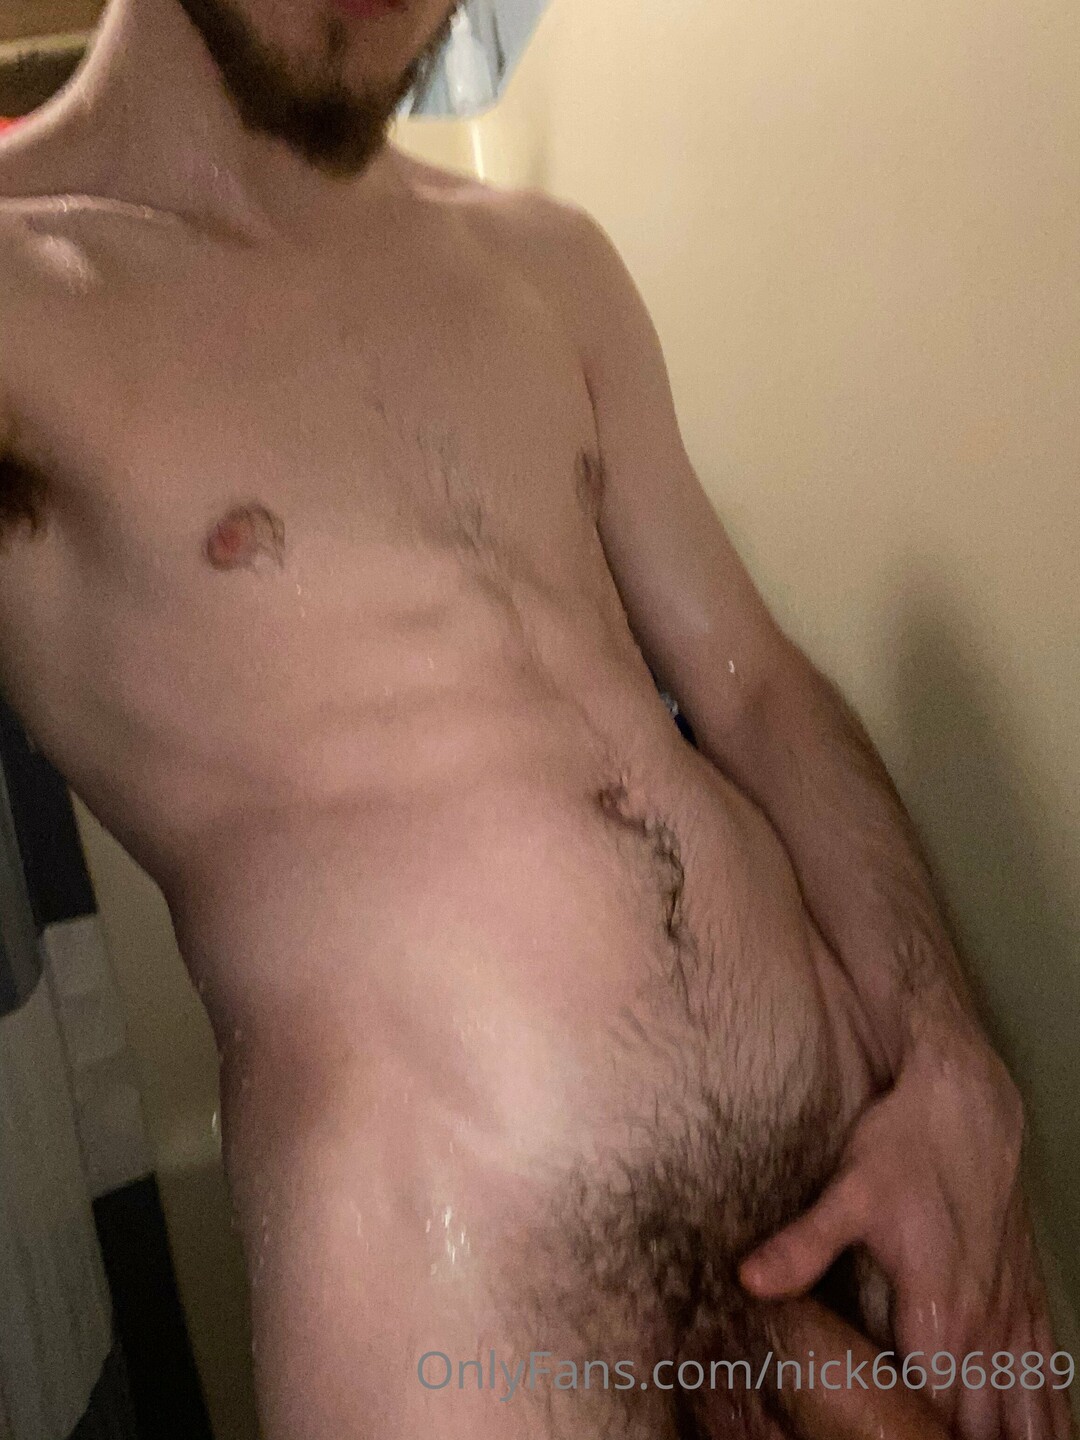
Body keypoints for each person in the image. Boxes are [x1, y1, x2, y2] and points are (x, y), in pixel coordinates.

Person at [0, 0, 1070, 1436]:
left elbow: (756, 690)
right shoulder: (24, 298)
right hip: (462, 1312)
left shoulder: (543, 260)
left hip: (858, 1206)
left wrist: (953, 1063)